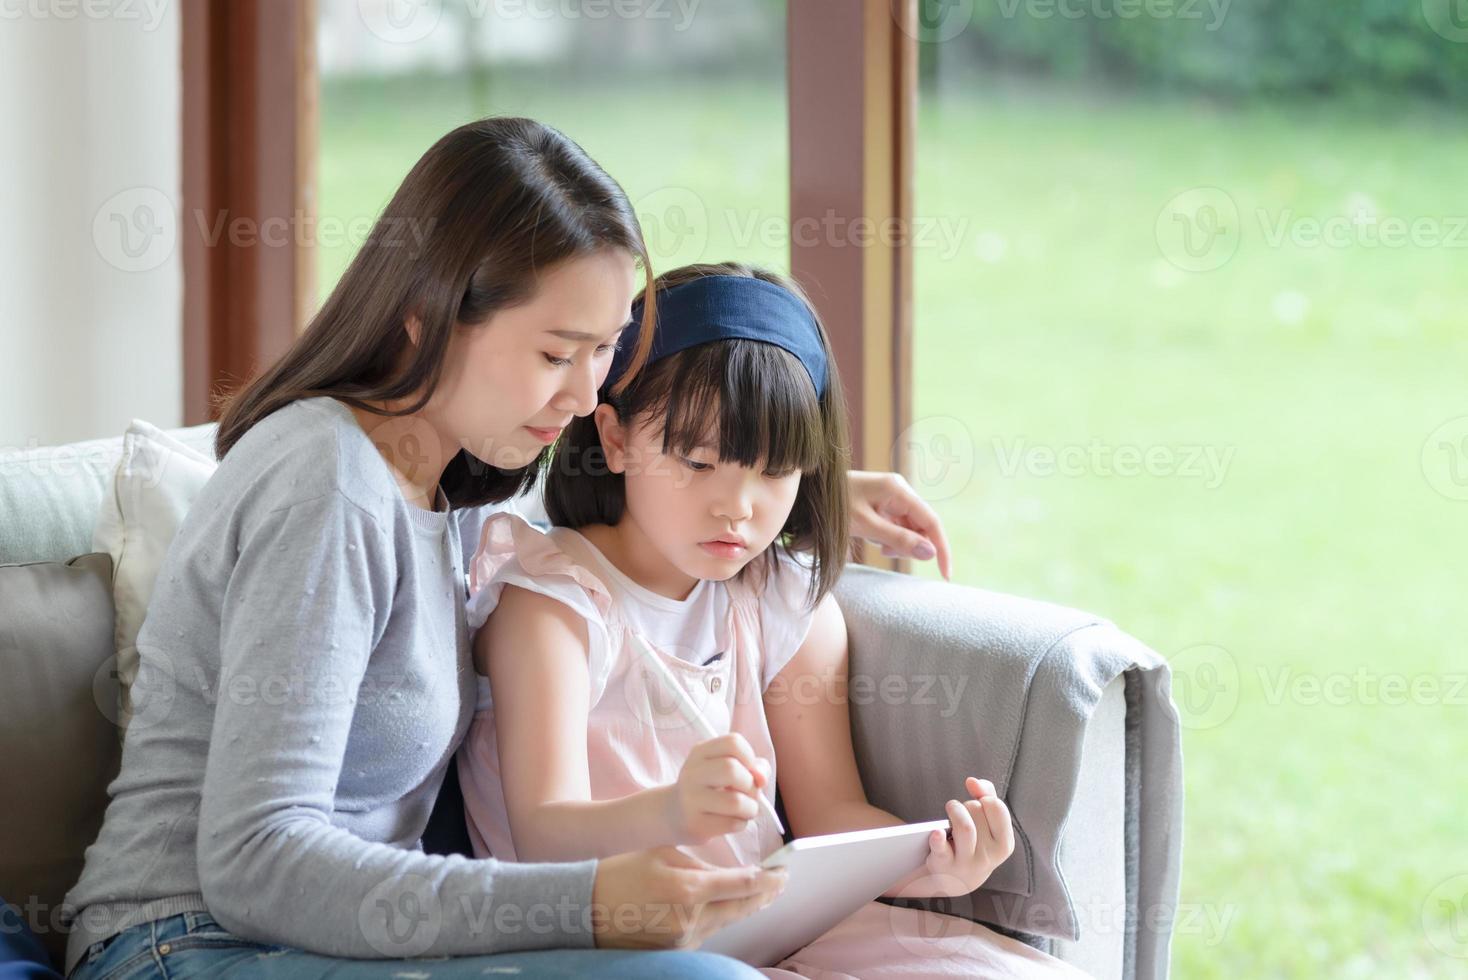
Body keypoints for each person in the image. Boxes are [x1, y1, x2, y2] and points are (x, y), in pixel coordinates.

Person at [62, 118, 953, 979]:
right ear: (426, 318)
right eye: (556, 353)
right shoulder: (328, 487)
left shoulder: (454, 476)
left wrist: (802, 482)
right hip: (187, 945)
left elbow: (635, 475)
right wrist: (593, 904)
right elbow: (256, 862)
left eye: (604, 352)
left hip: (350, 945)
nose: (579, 394)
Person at [457, 264, 1088, 977]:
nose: (739, 508)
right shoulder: (555, 604)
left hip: (775, 930)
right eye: (697, 463)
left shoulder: (780, 600)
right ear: (616, 437)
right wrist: (672, 812)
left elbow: (831, 818)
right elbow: (543, 834)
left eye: (776, 471)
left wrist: (935, 865)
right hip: (604, 945)